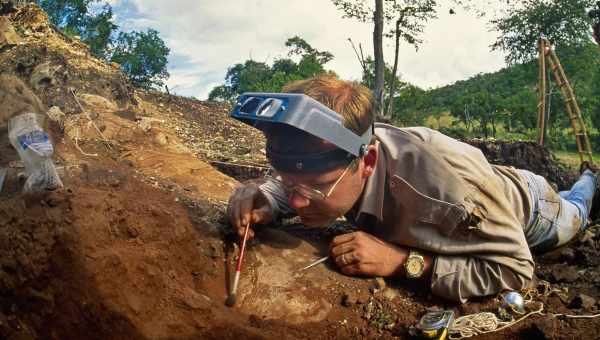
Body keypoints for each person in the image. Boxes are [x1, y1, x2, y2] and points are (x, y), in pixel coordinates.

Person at [227, 75, 597, 303]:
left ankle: (590, 178)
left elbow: (515, 269)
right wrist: (265, 197)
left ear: (367, 163)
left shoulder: (448, 196)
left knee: (577, 210)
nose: (296, 199)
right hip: (488, 186)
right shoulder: (337, 156)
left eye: (316, 188)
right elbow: (294, 183)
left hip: (532, 208)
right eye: (286, 179)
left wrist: (405, 263)